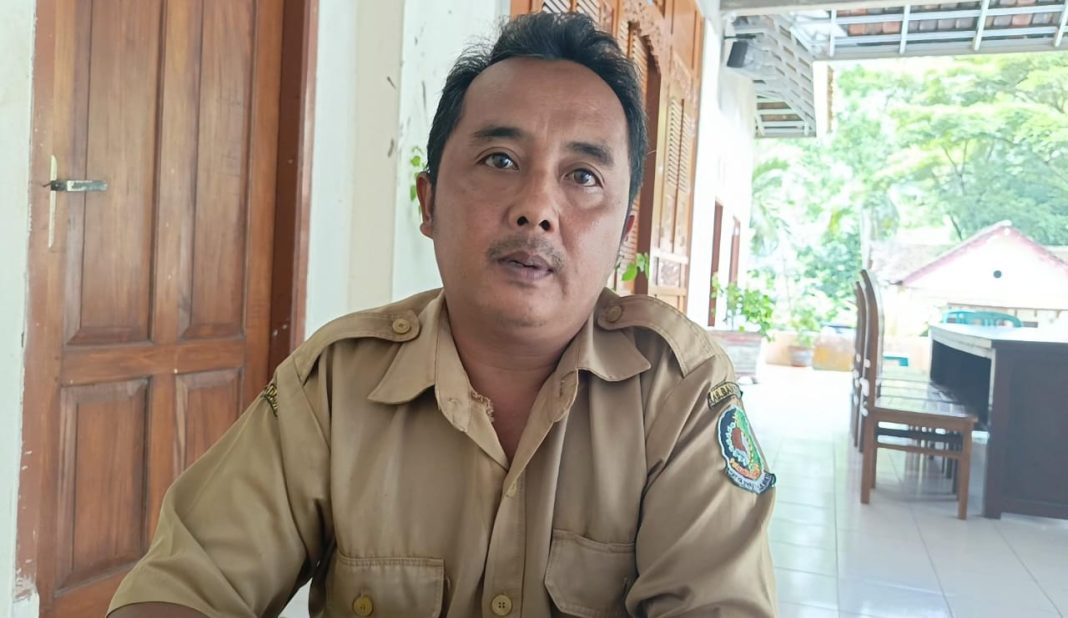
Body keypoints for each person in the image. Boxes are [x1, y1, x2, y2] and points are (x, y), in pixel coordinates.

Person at [109, 12, 776, 618]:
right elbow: (183, 590)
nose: (536, 209)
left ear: (624, 234)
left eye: (582, 176)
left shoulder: (680, 392)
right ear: (429, 202)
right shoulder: (336, 385)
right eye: (500, 160)